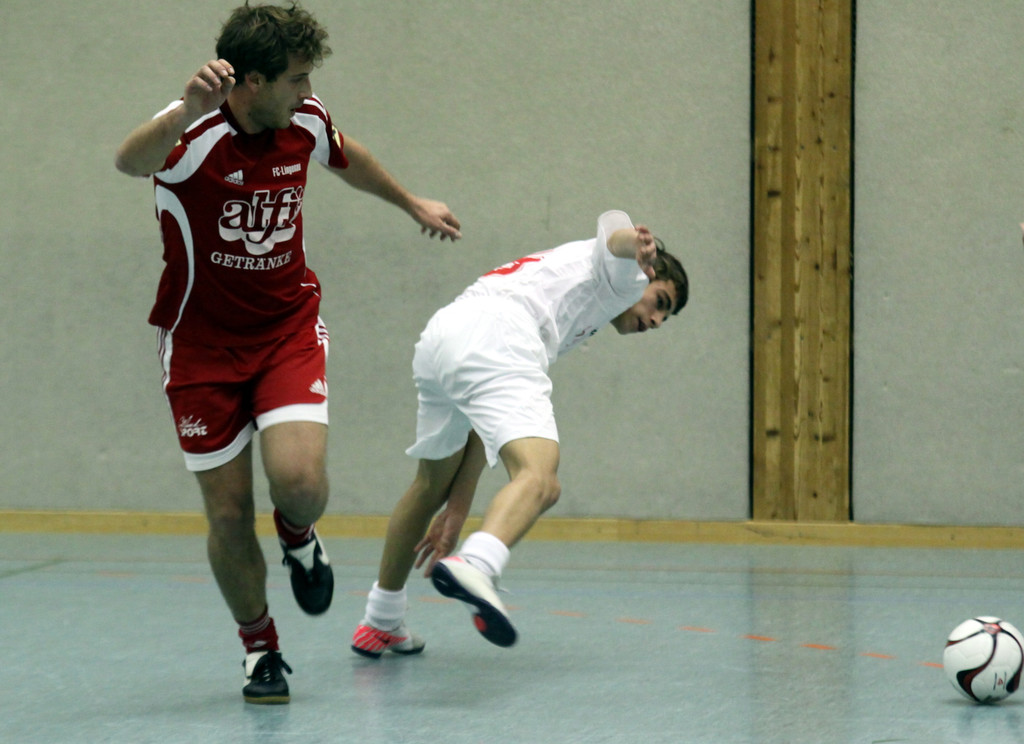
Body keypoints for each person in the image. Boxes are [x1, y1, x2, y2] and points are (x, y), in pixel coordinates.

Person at [114, 3, 461, 704]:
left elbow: (347, 155)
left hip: (285, 331)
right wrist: (183, 110)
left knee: (299, 482)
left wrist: (409, 202)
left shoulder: (302, 120)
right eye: (297, 78)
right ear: (252, 82)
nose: (308, 91)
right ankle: (260, 649)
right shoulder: (191, 133)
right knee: (227, 513)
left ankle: (299, 535)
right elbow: (130, 161)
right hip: (201, 349)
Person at [350, 210, 687, 658]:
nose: (657, 320)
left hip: (445, 336)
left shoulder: (574, 295)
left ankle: (380, 619)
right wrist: (637, 246)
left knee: (430, 484)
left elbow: (482, 422)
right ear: (647, 274)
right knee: (541, 478)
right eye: (660, 302)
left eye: (666, 316)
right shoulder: (625, 276)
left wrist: (458, 508)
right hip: (500, 334)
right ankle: (478, 563)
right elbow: (613, 238)